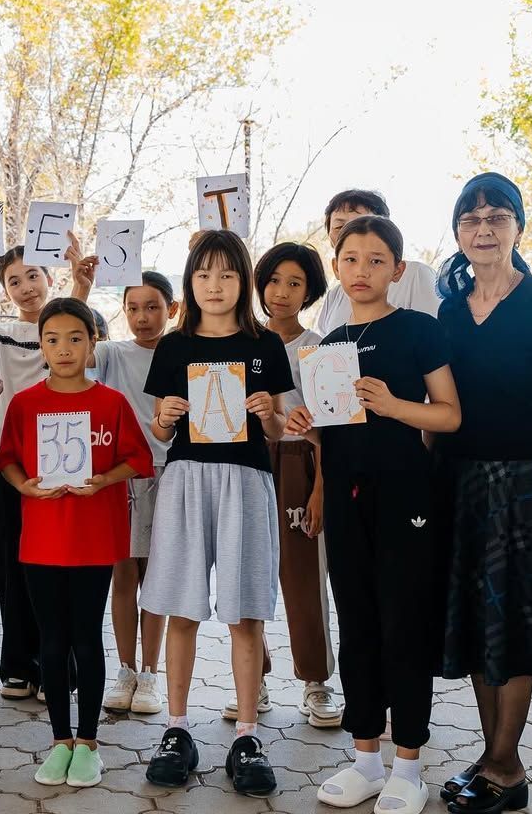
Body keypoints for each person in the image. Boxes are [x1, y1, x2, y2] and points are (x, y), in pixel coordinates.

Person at [286, 215, 460, 814]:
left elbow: (449, 415)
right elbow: (334, 432)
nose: (362, 270)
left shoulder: (419, 330)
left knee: (403, 626)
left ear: (398, 269)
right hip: (346, 500)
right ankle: (364, 760)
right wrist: (308, 428)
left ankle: (408, 766)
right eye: (351, 259)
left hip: (406, 498)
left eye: (376, 260)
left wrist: (393, 404)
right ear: (337, 268)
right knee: (357, 623)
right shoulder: (326, 346)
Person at [142, 230, 292, 798]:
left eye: (227, 274)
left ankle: (247, 736)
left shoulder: (265, 344)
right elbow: (160, 430)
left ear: (243, 282)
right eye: (204, 274)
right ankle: (177, 730)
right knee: (182, 607)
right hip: (186, 480)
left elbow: (277, 427)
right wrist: (165, 417)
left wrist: (268, 411)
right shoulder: (173, 347)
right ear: (190, 282)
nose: (215, 285)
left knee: (244, 612)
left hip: (247, 481)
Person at [0, 297, 152, 788]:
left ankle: (88, 743)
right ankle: (59, 741)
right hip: (42, 540)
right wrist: (25, 487)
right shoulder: (25, 403)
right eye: (52, 339)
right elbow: (5, 459)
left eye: (75, 338)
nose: (63, 349)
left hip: (92, 540)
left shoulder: (111, 402)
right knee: (52, 640)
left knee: (85, 636)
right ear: (41, 346)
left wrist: (103, 480)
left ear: (92, 344)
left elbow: (139, 459)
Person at [436, 173, 532, 814]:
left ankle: (506, 766)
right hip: (461, 481)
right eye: (471, 218)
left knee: (516, 627)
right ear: (458, 232)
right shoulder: (450, 311)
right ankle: (493, 758)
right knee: (478, 623)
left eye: (496, 216)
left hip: (527, 484)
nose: (483, 228)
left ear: (517, 227)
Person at [0, 240, 95, 701]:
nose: (26, 286)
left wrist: (82, 287)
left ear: (50, 278)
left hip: (61, 462)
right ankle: (17, 665)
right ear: (4, 289)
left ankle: (58, 669)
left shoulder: (69, 330)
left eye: (33, 275)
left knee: (58, 567)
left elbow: (73, 334)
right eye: (14, 280)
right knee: (10, 564)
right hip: (6, 464)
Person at [236, 243, 341, 728]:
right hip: (247, 460)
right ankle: (252, 679)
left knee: (303, 579)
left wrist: (320, 488)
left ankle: (315, 681)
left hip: (301, 462)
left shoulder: (319, 348)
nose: (282, 292)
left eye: (295, 283)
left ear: (310, 291)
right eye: (274, 280)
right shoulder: (240, 341)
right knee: (245, 572)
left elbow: (330, 426)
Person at [82, 272, 179, 716]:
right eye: (134, 308)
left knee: (157, 578)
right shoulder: (112, 353)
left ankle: (151, 673)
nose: (143, 317)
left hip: (169, 473)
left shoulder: (182, 353)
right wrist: (82, 286)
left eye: (153, 307)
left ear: (172, 309)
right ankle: (125, 670)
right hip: (118, 475)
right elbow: (74, 347)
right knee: (123, 576)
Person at [313, 189, 439, 335]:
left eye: (361, 224)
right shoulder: (334, 297)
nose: (351, 232)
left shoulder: (416, 275)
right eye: (339, 227)